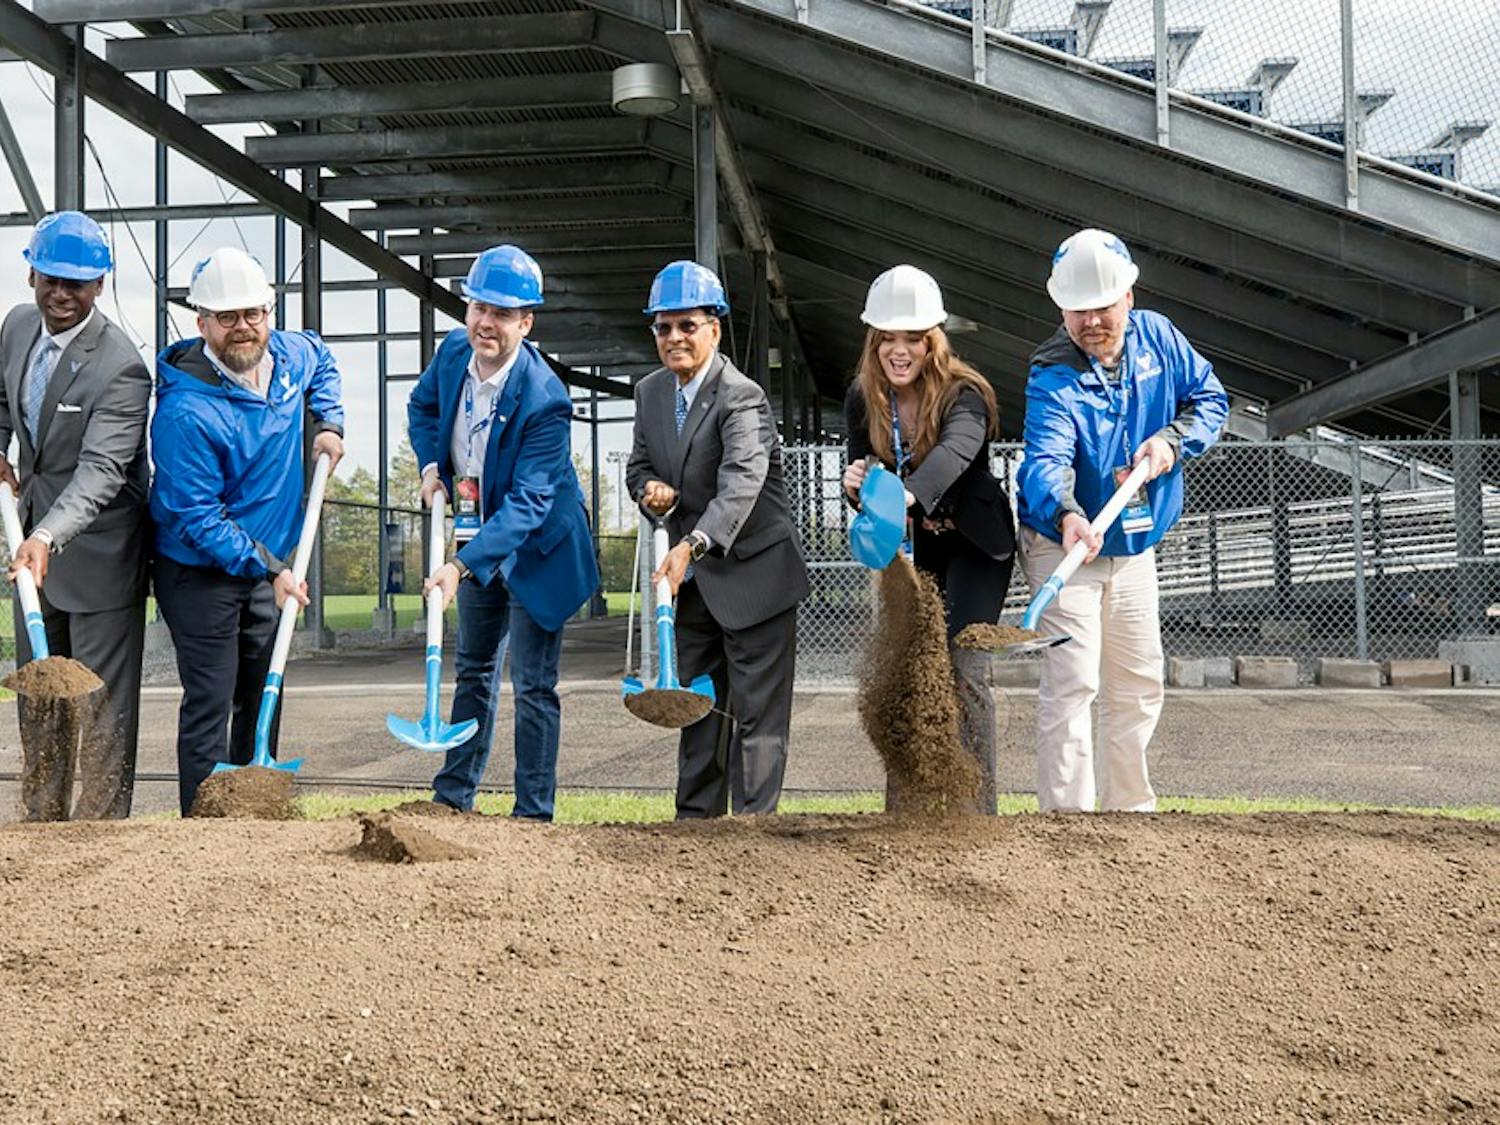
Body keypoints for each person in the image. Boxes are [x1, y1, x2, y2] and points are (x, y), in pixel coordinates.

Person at [1017, 228, 1227, 813]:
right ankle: (1067, 822)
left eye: (1103, 306)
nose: (1091, 321)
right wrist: (1066, 514)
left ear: (1129, 298)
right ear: (1061, 308)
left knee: (1136, 682)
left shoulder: (1159, 340)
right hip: (1066, 544)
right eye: (1078, 310)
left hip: (1134, 545)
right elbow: (1047, 459)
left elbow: (1209, 399)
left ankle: (1129, 816)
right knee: (1074, 682)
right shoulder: (1052, 373)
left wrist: (1172, 440)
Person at [149, 246, 345, 815]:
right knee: (212, 695)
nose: (244, 328)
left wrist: (328, 422)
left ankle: (256, 815)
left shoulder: (290, 356)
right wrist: (272, 569)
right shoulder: (184, 412)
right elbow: (199, 517)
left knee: (264, 692)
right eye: (228, 317)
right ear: (202, 322)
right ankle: (206, 824)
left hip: (271, 565)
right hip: (198, 570)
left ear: (269, 310)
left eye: (254, 313)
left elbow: (325, 362)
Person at [407, 244, 597, 819]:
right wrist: (430, 467)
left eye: (503, 313)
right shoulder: (451, 356)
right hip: (476, 535)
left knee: (534, 684)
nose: (486, 323)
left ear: (526, 322)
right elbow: (422, 410)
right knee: (474, 670)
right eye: (479, 307)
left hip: (537, 548)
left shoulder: (545, 398)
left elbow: (529, 503)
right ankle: (452, 797)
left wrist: (459, 567)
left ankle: (533, 813)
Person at [625, 260, 809, 819]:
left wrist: (692, 545)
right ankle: (696, 823)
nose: (674, 337)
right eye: (664, 326)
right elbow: (638, 467)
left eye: (688, 325)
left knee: (756, 716)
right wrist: (649, 490)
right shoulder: (650, 393)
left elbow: (742, 483)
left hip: (753, 576)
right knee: (698, 707)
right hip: (694, 585)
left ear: (715, 329)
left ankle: (754, 831)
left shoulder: (742, 397)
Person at [841, 265, 1016, 814]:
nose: (898, 350)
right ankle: (908, 808)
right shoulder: (862, 398)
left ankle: (976, 808)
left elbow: (952, 459)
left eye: (911, 338)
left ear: (931, 341)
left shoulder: (966, 395)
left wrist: (903, 495)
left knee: (963, 665)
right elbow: (862, 472)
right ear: (874, 341)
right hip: (914, 547)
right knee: (906, 665)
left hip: (973, 543)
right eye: (887, 338)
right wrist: (856, 487)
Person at [0, 211, 151, 821]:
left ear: (100, 286)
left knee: (100, 704)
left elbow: (101, 471)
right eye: (51, 280)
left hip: (96, 554)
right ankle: (42, 820)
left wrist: (45, 535)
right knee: (38, 695)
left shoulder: (122, 366)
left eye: (77, 284)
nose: (60, 295)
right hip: (31, 546)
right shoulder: (15, 327)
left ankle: (100, 830)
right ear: (33, 272)